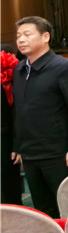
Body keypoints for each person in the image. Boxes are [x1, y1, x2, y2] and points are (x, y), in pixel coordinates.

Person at [11, 16, 68, 217]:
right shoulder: (19, 69)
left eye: (27, 34)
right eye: (18, 36)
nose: (21, 40)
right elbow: (20, 111)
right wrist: (18, 145)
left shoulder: (64, 68)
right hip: (30, 153)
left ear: (45, 37)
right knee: (43, 210)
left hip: (59, 154)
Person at [1, 46, 22, 204]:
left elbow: (17, 115)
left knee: (9, 188)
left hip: (6, 139)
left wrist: (18, 145)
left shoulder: (11, 80)